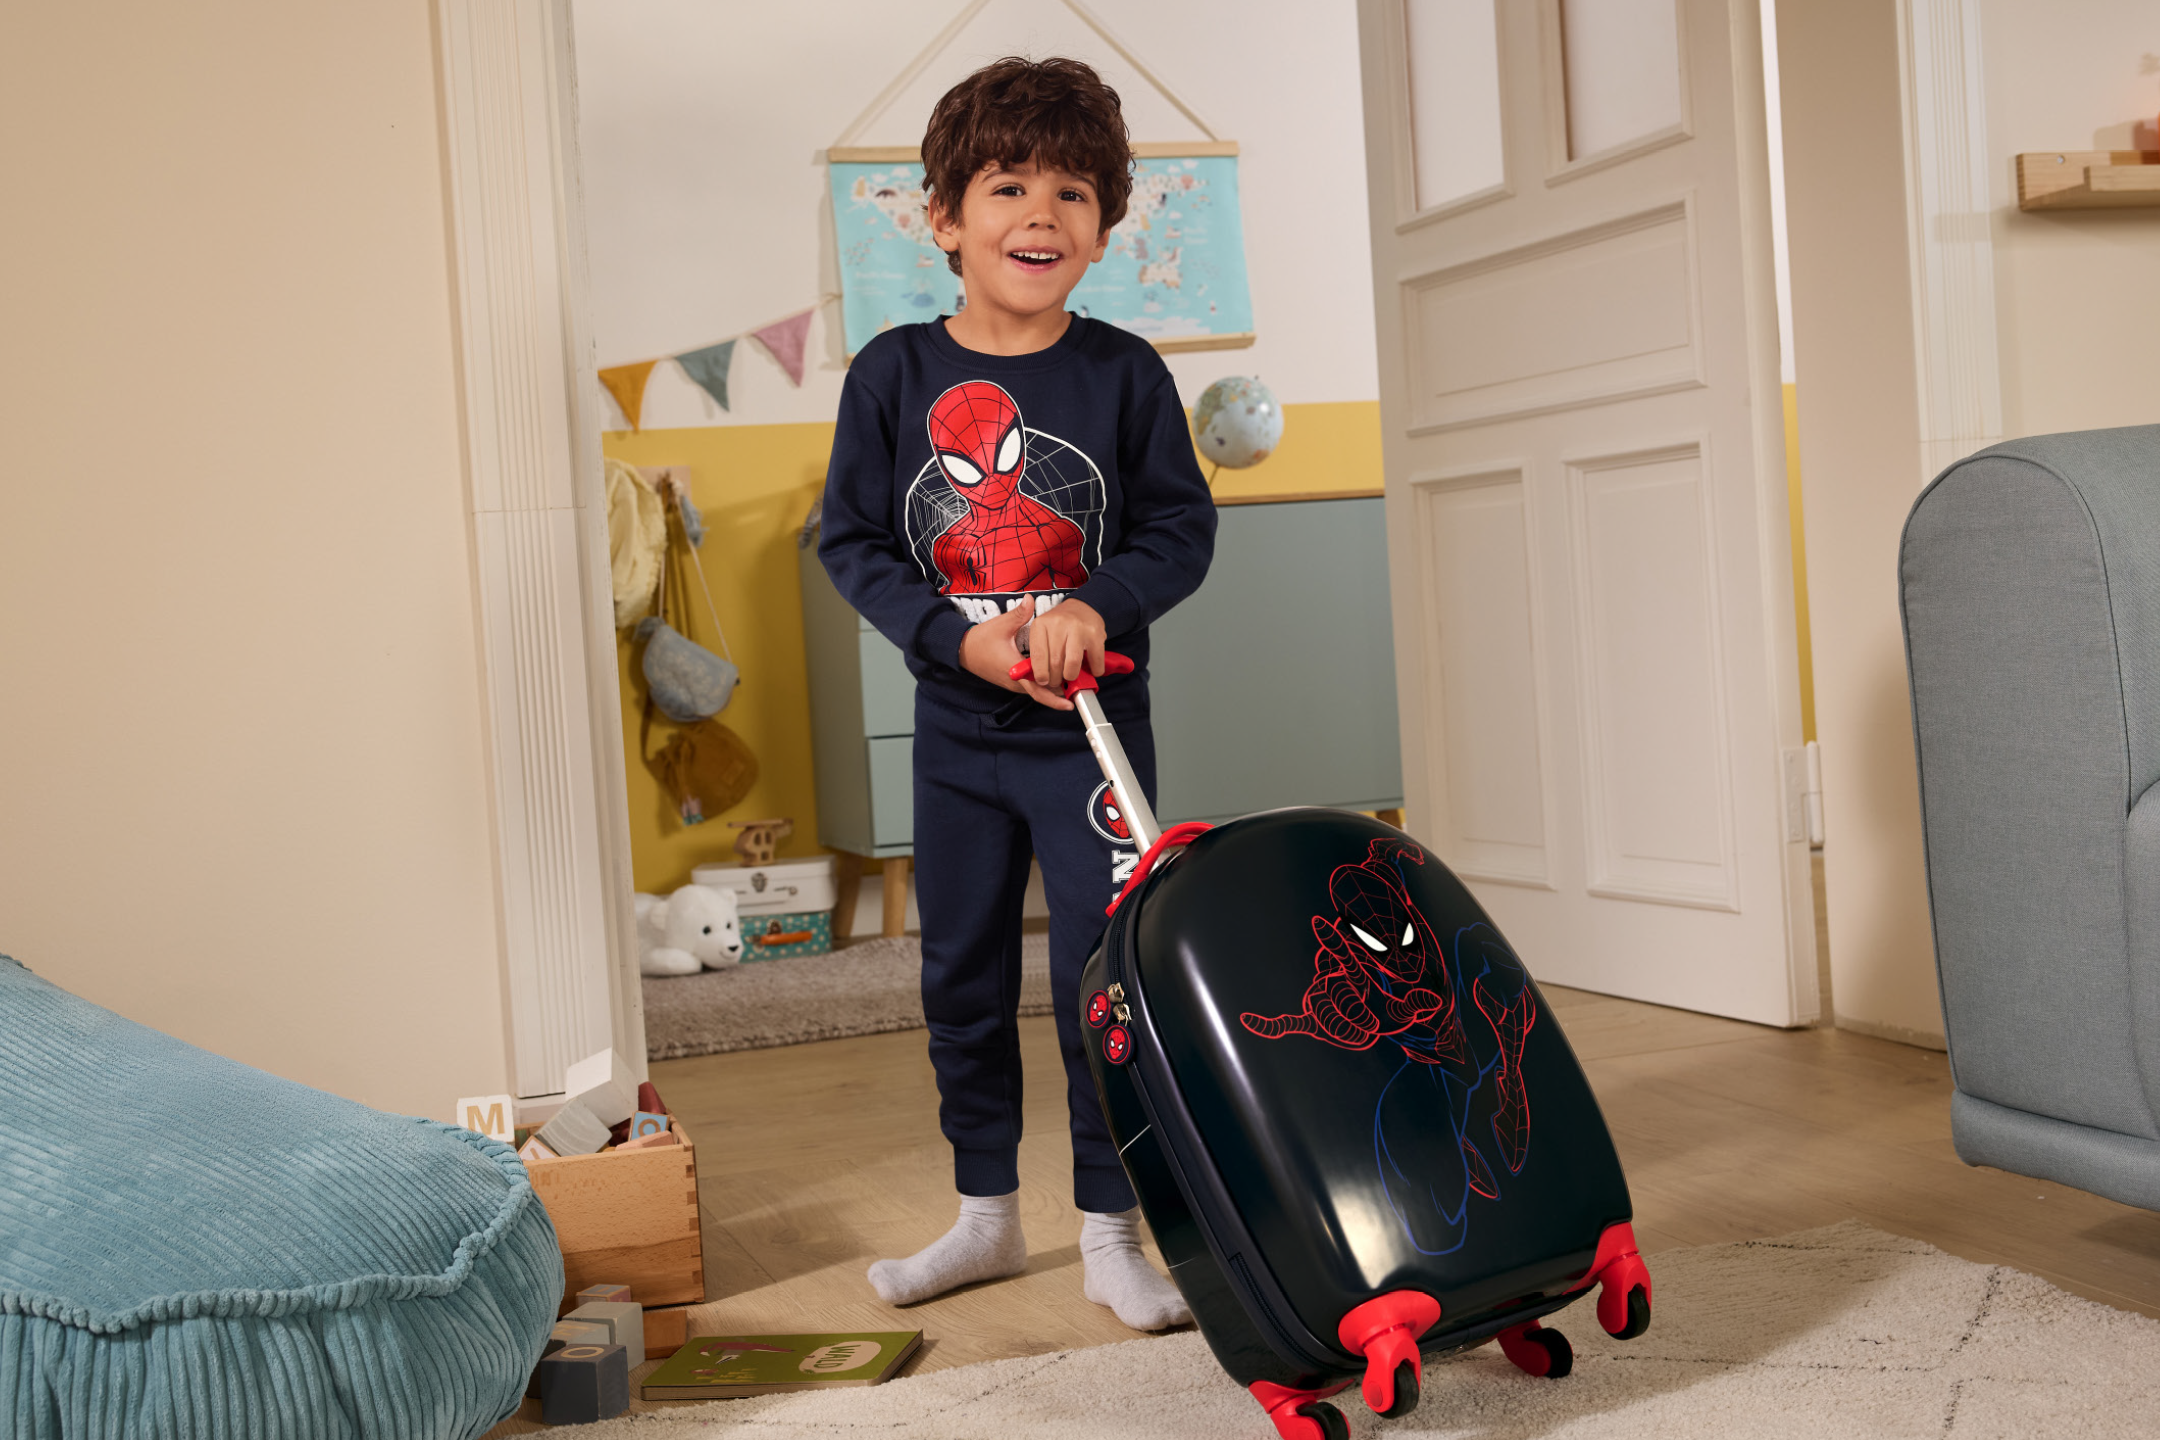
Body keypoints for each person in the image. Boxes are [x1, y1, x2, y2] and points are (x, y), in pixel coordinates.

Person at [817, 55, 1216, 1330]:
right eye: (1006, 186)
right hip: (957, 739)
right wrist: (953, 639)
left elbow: (1178, 532)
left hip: (1092, 744)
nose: (1039, 214)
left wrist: (1097, 607)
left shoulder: (1125, 377)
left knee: (1103, 982)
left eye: (1071, 192)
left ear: (1104, 227)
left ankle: (1111, 1231)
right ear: (945, 218)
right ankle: (985, 1216)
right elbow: (854, 544)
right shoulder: (889, 377)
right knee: (961, 979)